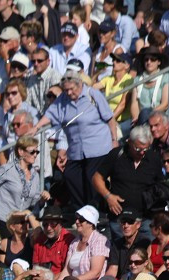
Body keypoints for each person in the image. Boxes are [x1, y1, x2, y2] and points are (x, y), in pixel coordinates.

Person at [32, 71, 117, 214]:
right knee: (71, 175)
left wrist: (114, 140)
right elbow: (51, 114)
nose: (69, 92)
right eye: (66, 90)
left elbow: (109, 118)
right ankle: (82, 209)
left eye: (72, 89)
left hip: (97, 145)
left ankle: (95, 212)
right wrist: (36, 127)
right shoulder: (63, 99)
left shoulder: (92, 95)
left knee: (92, 177)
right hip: (76, 149)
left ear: (80, 84)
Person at [0, 136, 43, 236]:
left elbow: (33, 203)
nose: (35, 155)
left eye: (37, 152)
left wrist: (42, 199)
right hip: (2, 219)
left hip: (21, 223)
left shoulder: (36, 175)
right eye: (32, 152)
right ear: (21, 151)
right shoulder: (7, 169)